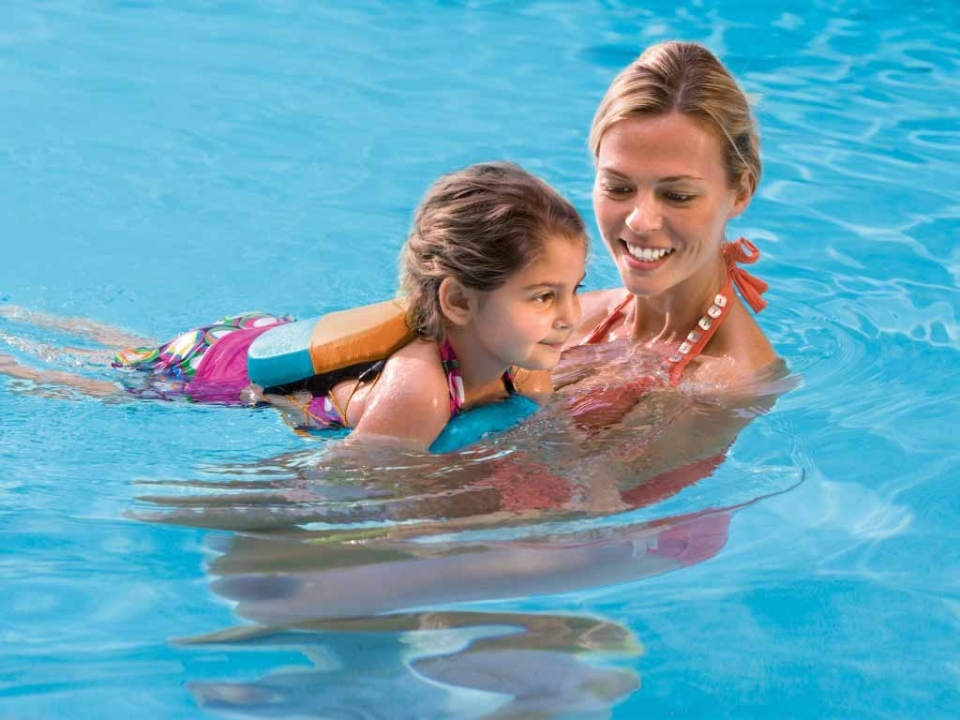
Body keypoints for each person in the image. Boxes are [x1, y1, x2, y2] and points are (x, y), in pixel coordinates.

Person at [0, 162, 588, 450]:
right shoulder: (420, 390)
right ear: (458, 300)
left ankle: (34, 323)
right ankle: (15, 361)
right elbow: (354, 487)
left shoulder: (527, 370)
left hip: (265, 334)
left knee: (131, 351)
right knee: (99, 383)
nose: (570, 317)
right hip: (224, 369)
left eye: (574, 290)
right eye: (543, 296)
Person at [562, 40, 780, 392]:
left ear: (740, 193)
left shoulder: (727, 385)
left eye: (677, 196)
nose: (639, 221)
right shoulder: (571, 315)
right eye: (618, 187)